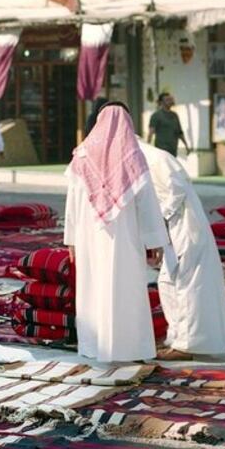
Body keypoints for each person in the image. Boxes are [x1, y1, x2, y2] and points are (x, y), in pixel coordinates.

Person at [64, 102, 169, 363]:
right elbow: (147, 204)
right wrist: (153, 240)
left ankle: (94, 346)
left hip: (90, 239)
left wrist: (72, 240)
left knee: (94, 289)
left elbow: (72, 205)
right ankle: (129, 349)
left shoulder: (82, 157)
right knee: (126, 290)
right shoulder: (132, 158)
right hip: (125, 240)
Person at [138, 139, 225, 358]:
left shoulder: (156, 159)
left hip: (185, 226)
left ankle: (185, 346)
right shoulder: (142, 159)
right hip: (174, 229)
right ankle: (176, 339)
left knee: (185, 285)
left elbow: (177, 190)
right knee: (167, 283)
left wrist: (160, 220)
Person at [148, 92, 190, 157]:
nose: (170, 101)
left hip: (173, 150)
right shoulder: (156, 116)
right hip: (162, 151)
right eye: (167, 100)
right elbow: (151, 132)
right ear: (161, 102)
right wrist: (148, 149)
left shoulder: (175, 115)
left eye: (171, 99)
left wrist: (186, 145)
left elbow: (179, 132)